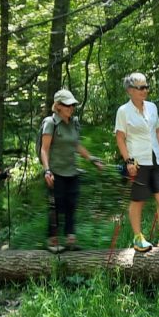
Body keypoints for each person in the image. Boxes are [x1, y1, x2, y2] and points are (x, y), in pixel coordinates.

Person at [115, 73, 159, 252]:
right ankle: (138, 238)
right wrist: (127, 160)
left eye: (146, 86)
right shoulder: (123, 111)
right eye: (141, 87)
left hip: (156, 158)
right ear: (130, 90)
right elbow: (120, 138)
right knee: (138, 200)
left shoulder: (152, 107)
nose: (145, 90)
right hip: (137, 161)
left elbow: (158, 131)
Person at [40, 88, 105, 252]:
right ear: (58, 106)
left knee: (71, 205)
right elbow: (44, 149)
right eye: (67, 105)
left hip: (72, 171)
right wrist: (47, 170)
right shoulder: (50, 123)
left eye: (72, 105)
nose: (71, 108)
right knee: (56, 206)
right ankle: (52, 241)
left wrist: (92, 159)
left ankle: (70, 239)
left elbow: (76, 145)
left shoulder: (74, 122)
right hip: (55, 172)